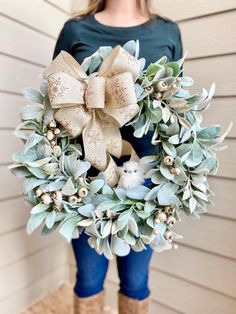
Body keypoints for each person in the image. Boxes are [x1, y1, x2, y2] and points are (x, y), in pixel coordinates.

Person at [52, 1, 183, 313]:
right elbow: (56, 96)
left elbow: (176, 109)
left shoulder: (167, 31)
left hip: (149, 180)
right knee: (87, 279)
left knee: (136, 281)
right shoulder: (76, 29)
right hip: (87, 177)